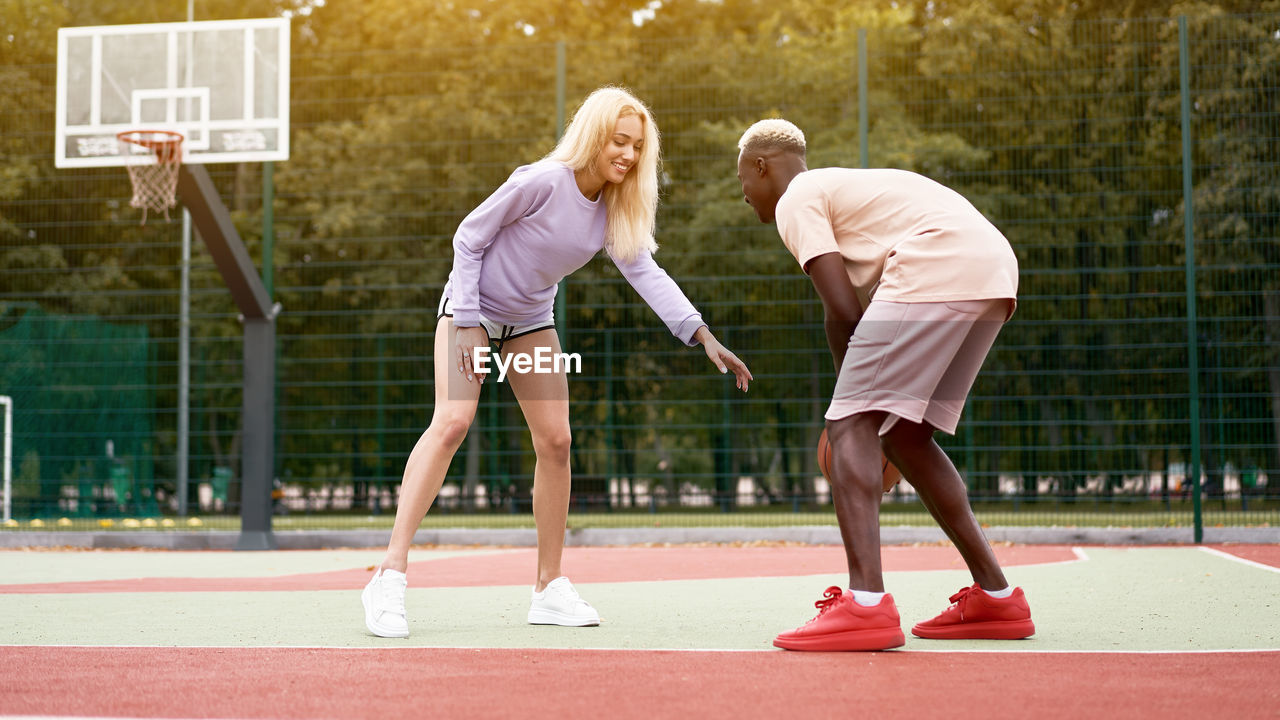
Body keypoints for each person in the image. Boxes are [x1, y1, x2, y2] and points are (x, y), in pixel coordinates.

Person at [361, 87, 753, 638]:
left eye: (638, 147)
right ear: (593, 135)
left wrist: (701, 333)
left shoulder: (617, 206)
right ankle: (389, 575)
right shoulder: (540, 181)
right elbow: (469, 237)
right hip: (470, 309)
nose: (629, 155)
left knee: (558, 442)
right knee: (452, 422)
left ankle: (549, 587)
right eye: (619, 141)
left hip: (529, 322)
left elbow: (645, 271)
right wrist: (469, 323)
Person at [734, 119, 1033, 651]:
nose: (745, 197)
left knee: (851, 423)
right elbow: (844, 315)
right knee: (908, 436)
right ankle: (997, 596)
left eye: (743, 183)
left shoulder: (795, 197)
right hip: (991, 269)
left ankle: (865, 605)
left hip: (938, 262)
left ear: (761, 166)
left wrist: (849, 414)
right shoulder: (840, 190)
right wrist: (855, 400)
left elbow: (843, 309)